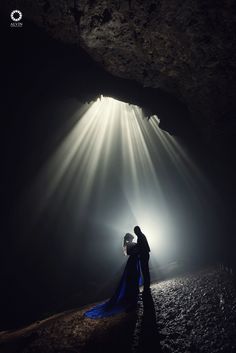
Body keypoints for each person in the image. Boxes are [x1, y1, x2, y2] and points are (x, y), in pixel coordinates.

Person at [84, 233, 142, 319]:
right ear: (129, 239)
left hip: (133, 261)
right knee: (132, 278)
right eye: (131, 238)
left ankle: (133, 295)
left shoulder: (128, 244)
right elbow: (130, 252)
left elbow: (129, 252)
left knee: (133, 278)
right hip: (133, 261)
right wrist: (136, 251)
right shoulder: (129, 244)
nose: (132, 239)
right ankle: (132, 296)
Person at [134, 226, 151, 292]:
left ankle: (146, 285)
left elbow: (141, 247)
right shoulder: (141, 235)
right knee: (145, 270)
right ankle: (147, 284)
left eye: (135, 231)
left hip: (143, 255)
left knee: (145, 270)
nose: (135, 233)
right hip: (145, 254)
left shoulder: (140, 237)